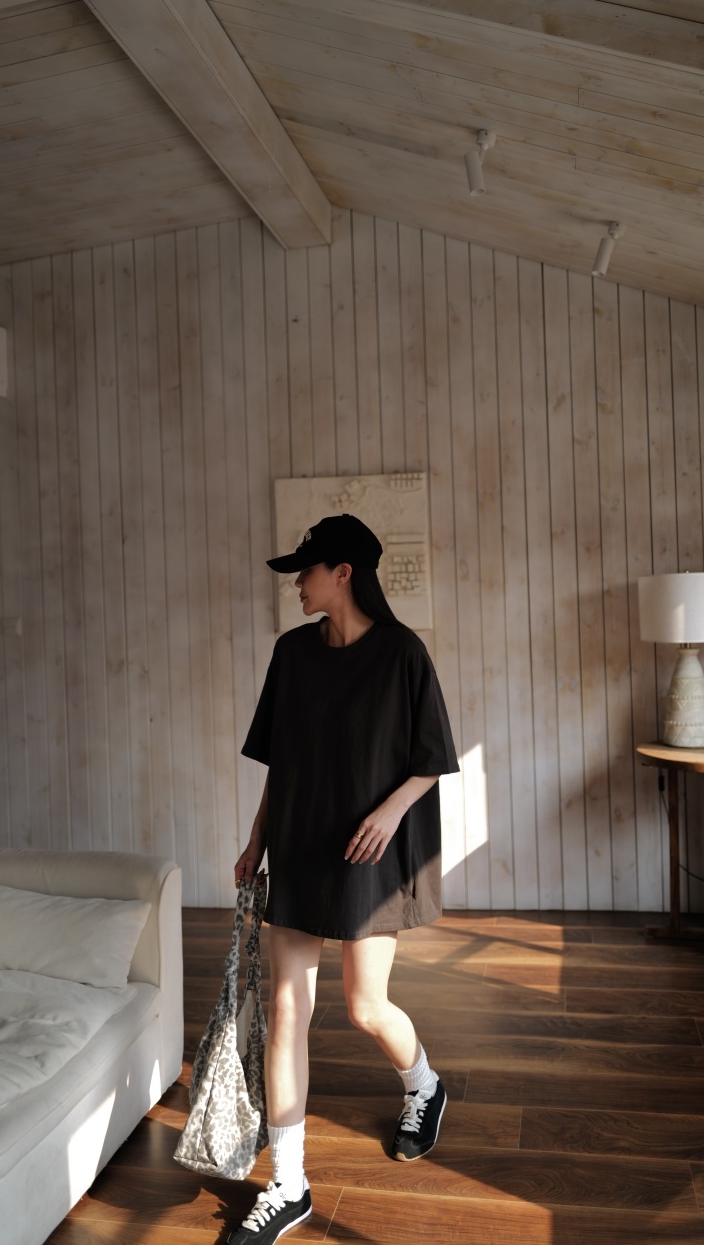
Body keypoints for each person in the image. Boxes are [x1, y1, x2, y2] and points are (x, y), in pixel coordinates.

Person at [227, 513, 459, 1245]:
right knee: (287, 1010)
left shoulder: (401, 652)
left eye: (306, 570)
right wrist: (257, 841)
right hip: (299, 846)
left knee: (365, 1007)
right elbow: (282, 763)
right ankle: (288, 1184)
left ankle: (423, 1085)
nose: (297, 583)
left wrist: (389, 814)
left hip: (368, 854)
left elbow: (432, 757)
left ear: (344, 573)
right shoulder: (291, 654)